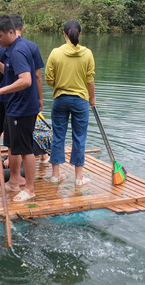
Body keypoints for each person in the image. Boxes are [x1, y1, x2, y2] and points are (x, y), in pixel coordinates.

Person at [0, 15, 39, 202]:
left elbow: (26, 80)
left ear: (11, 31)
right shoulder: (10, 49)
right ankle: (14, 181)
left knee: (25, 149)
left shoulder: (18, 51)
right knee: (13, 146)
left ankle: (30, 189)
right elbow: (8, 72)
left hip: (23, 108)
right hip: (13, 106)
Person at [45, 20, 96, 186]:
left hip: (60, 98)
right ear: (79, 34)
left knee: (58, 136)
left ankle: (55, 175)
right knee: (79, 137)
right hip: (80, 99)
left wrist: (60, 85)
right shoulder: (87, 53)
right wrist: (92, 97)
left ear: (64, 34)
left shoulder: (55, 53)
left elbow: (48, 79)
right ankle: (79, 178)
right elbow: (90, 79)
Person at [9, 14, 48, 163]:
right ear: (23, 28)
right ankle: (43, 154)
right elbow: (38, 76)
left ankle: (15, 172)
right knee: (29, 131)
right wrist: (40, 98)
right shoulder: (32, 46)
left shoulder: (4, 47)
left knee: (13, 138)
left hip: (10, 99)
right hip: (29, 99)